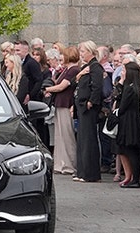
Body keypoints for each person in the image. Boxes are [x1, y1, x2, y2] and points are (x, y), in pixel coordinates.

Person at [43, 46, 80, 175]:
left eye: (63, 55)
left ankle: (69, 164)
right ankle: (60, 164)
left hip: (66, 103)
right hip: (59, 103)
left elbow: (61, 86)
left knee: (67, 135)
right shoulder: (66, 69)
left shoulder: (73, 70)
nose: (60, 58)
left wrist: (48, 89)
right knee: (59, 136)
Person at [73, 41, 104, 183]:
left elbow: (97, 87)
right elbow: (76, 83)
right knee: (82, 140)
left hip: (88, 107)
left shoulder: (96, 67)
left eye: (84, 51)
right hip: (81, 106)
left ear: (91, 51)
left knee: (89, 140)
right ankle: (82, 171)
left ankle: (89, 173)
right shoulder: (86, 67)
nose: (81, 54)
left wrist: (91, 102)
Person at [115, 59, 140, 188]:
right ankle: (135, 178)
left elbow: (121, 106)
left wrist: (120, 84)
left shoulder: (129, 88)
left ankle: (135, 180)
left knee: (131, 151)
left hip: (128, 121)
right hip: (138, 120)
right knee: (136, 151)